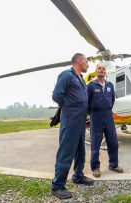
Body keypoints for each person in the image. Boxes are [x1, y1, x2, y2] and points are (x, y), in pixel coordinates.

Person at [51, 53, 94, 199]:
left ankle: (78, 176)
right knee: (66, 153)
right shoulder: (66, 75)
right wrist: (70, 109)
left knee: (80, 151)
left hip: (81, 122)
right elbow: (57, 95)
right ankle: (57, 186)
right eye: (87, 62)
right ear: (80, 61)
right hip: (71, 121)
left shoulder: (81, 79)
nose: (88, 65)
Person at [87, 63, 124, 178]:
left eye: (103, 69)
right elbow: (87, 102)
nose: (101, 70)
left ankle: (113, 164)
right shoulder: (91, 86)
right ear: (96, 71)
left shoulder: (110, 85)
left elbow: (112, 100)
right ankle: (95, 167)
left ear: (105, 72)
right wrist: (93, 112)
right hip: (96, 117)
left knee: (113, 142)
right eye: (99, 68)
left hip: (108, 116)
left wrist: (106, 108)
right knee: (95, 144)